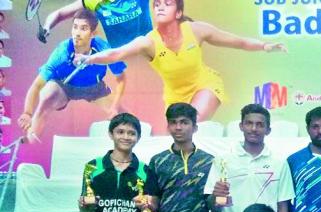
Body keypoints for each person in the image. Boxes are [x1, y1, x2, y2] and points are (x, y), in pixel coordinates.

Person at [73, 0, 286, 121]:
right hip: (174, 95)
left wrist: (265, 46)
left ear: (179, 12)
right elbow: (115, 54)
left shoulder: (197, 30)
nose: (160, 7)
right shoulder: (147, 42)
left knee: (191, 121)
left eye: (167, 4)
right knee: (180, 135)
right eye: (156, 5)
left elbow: (236, 42)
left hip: (205, 85)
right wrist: (89, 59)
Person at [18, 9, 126, 143]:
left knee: (124, 117)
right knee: (46, 95)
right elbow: (37, 85)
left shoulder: (103, 49)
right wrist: (27, 113)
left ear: (93, 33)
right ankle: (30, 139)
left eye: (83, 28)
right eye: (75, 27)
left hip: (94, 87)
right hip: (64, 87)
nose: (77, 33)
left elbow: (121, 79)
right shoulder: (61, 53)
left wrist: (115, 106)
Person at [205, 104, 294, 212]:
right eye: (249, 123)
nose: (254, 128)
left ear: (268, 130)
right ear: (241, 126)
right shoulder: (223, 160)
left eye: (260, 125)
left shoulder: (279, 163)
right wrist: (217, 197)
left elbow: (283, 208)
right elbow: (215, 206)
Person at [41, 0, 152, 47]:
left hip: (150, 51)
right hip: (121, 56)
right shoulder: (93, 1)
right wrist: (47, 26)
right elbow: (60, 14)